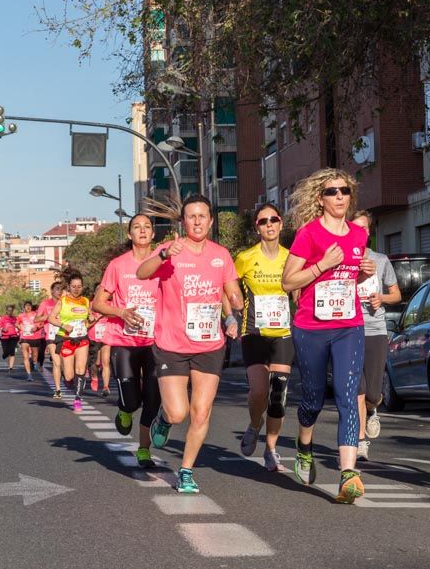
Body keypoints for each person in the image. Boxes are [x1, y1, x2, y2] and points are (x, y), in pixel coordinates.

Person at [281, 169, 377, 504]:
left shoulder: (357, 235)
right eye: (332, 192)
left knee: (348, 397)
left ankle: (348, 473)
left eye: (345, 191)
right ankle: (304, 444)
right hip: (311, 327)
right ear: (320, 199)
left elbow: (351, 283)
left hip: (349, 325)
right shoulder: (309, 234)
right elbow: (288, 282)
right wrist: (322, 265)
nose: (339, 197)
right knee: (313, 398)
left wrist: (364, 276)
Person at [138, 195, 242, 494]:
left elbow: (230, 292)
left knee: (201, 412)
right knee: (178, 413)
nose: (197, 221)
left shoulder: (221, 255)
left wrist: (233, 312)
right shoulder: (170, 250)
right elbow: (142, 273)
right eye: (191, 216)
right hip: (172, 344)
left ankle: (185, 470)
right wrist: (162, 255)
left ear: (211, 221)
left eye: (203, 216)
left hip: (209, 344)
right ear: (183, 222)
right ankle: (164, 419)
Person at [93, 213, 164, 469]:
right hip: (124, 341)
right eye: (137, 227)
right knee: (132, 400)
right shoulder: (117, 265)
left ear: (153, 234)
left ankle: (144, 449)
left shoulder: (163, 262)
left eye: (147, 227)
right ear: (129, 234)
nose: (142, 231)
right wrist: (121, 312)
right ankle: (124, 410)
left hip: (156, 341)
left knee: (153, 398)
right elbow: (98, 303)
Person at [234, 203, 295, 471]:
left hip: (283, 333)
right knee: (259, 391)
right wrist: (229, 316)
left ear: (281, 224)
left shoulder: (292, 257)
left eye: (274, 219)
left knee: (278, 394)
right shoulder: (245, 258)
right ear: (257, 227)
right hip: (254, 333)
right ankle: (254, 424)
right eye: (263, 221)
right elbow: (228, 287)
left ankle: (271, 449)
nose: (269, 224)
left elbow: (299, 293)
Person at [351, 210, 401, 461]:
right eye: (355, 228)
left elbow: (397, 295)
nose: (360, 232)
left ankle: (373, 410)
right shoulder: (342, 261)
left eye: (364, 228)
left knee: (372, 393)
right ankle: (360, 442)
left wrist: (381, 298)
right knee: (356, 389)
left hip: (375, 329)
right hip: (349, 329)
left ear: (369, 232)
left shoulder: (381, 261)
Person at [47, 272, 92, 411]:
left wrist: (90, 319)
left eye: (79, 286)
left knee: (80, 369)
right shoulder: (63, 301)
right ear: (69, 287)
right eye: (74, 286)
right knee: (68, 375)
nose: (76, 289)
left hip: (82, 338)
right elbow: (51, 318)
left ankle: (78, 399)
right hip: (65, 339)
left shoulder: (86, 301)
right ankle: (68, 382)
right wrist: (63, 325)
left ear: (82, 287)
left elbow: (88, 317)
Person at [33, 281, 63, 378]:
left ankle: (67, 378)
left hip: (64, 334)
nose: (60, 291)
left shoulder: (65, 302)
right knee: (56, 362)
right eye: (57, 289)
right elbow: (36, 319)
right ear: (52, 291)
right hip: (51, 335)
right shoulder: (45, 303)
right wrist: (48, 317)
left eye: (61, 289)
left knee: (64, 363)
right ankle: (58, 388)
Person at [17, 300, 44, 381]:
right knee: (25, 356)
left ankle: (34, 362)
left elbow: (42, 323)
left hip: (35, 337)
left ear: (31, 307)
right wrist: (20, 327)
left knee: (35, 356)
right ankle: (29, 375)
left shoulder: (36, 314)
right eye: (26, 306)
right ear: (24, 307)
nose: (28, 307)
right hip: (24, 337)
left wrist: (37, 327)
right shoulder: (21, 315)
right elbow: (16, 324)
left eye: (29, 306)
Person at [0, 305, 20, 374]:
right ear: (6, 311)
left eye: (11, 310)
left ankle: (11, 367)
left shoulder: (15, 318)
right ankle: (5, 354)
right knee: (6, 352)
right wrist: (2, 329)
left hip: (13, 336)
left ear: (13, 311)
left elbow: (19, 325)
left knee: (12, 352)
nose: (10, 312)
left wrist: (20, 331)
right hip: (4, 337)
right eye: (8, 310)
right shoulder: (3, 318)